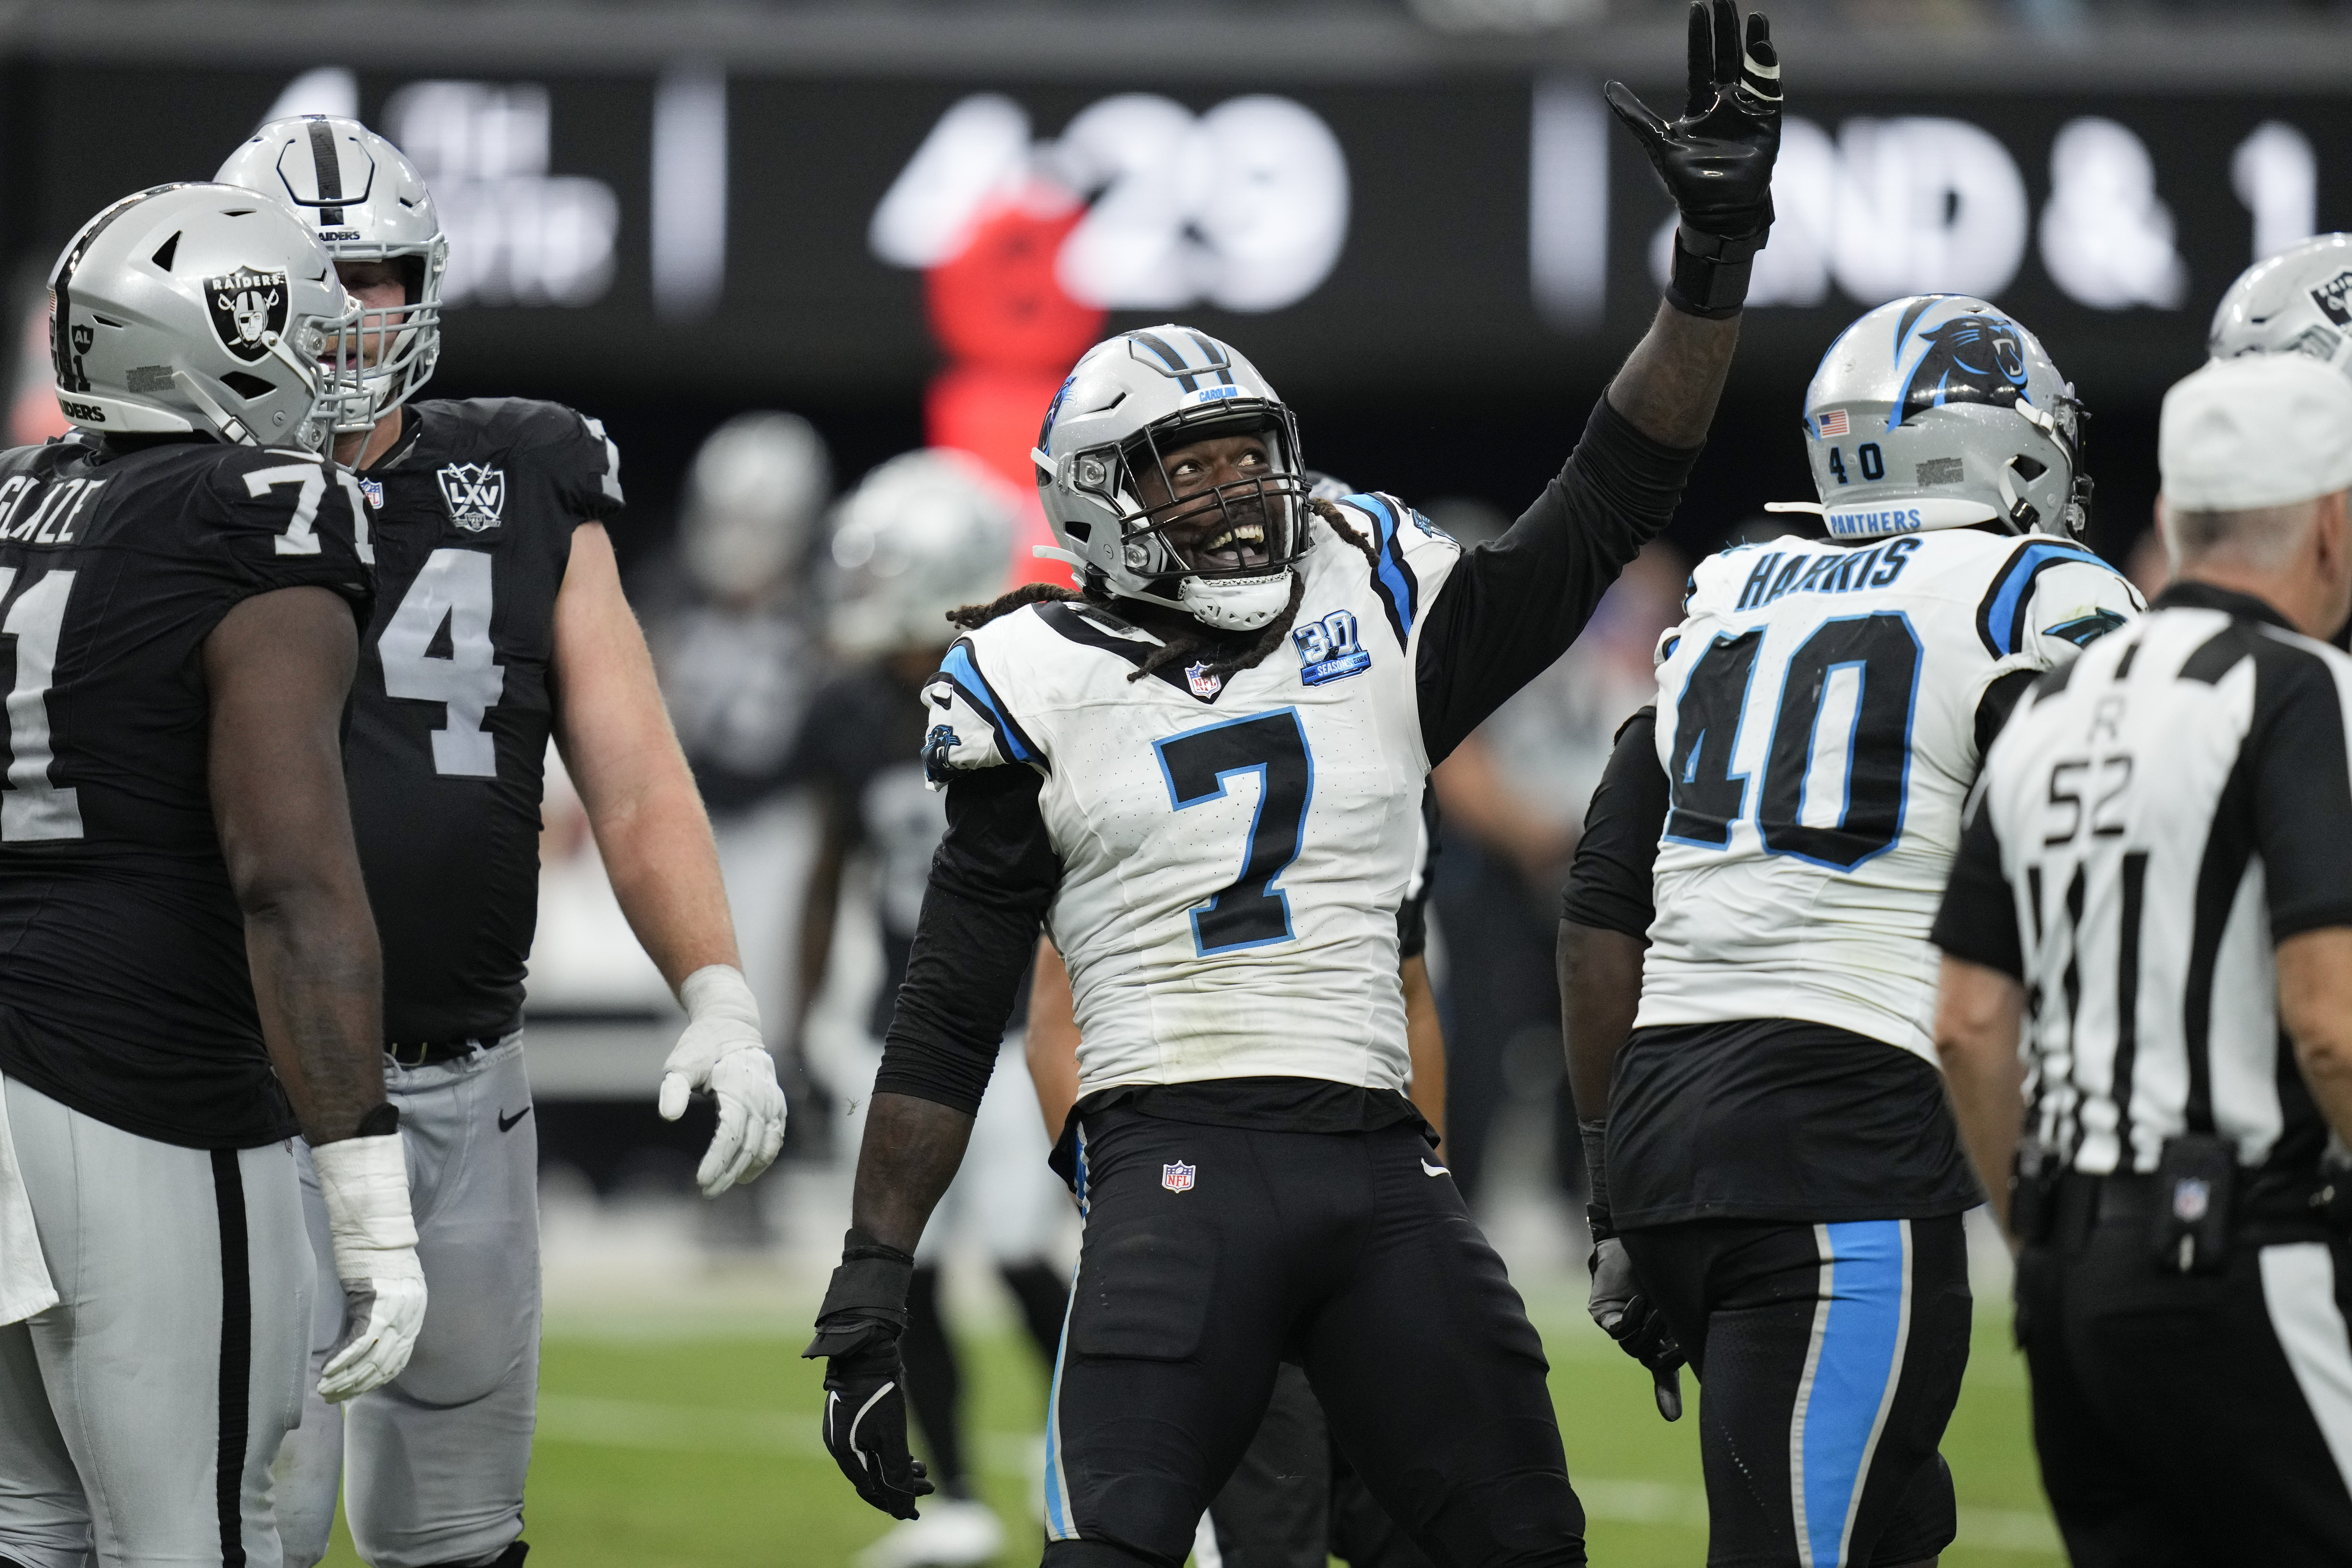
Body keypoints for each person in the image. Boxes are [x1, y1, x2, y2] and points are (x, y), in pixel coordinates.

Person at [802, 5, 1783, 1562]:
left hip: (1379, 1166)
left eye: (1247, 453)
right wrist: (873, 1275)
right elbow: (951, 999)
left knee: (1522, 1535)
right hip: (1170, 1164)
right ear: (1098, 503)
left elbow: (1610, 498)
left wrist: (1710, 265)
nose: (1237, 492)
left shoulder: (1375, 598)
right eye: (1184, 468)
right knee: (1115, 1542)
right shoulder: (1035, 672)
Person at [216, 117, 788, 1568]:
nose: (351, 315)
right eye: (311, 277)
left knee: (462, 1528)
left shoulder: (526, 469)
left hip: (464, 1076)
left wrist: (716, 988)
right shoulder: (174, 491)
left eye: (380, 277)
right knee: (241, 1517)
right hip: (233, 1081)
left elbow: (640, 778)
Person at [1557, 291, 2145, 1568]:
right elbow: (2116, 864)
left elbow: (1602, 911)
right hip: (1841, 1137)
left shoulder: (1733, 587)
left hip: (1669, 1118)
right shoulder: (2034, 590)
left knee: (1892, 1527)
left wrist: (1614, 1200)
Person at [0, 184, 423, 1568]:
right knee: (203, 1536)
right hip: (136, 1079)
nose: (338, 358)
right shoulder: (264, 508)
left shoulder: (15, 500)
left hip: (11, 1066)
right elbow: (289, 879)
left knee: (32, 1528)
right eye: (307, 328)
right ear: (209, 343)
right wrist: (367, 1188)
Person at [1934, 353, 2352, 1567]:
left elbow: (1965, 1020)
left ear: (2174, 516)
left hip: (2071, 1279)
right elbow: (2326, 1017)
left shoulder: (2055, 702)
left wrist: (2054, 1240)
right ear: (2331, 522)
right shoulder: (2302, 695)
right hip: (2248, 1251)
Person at [1025, 778, 1444, 1568]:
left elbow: (1411, 993)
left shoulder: (1389, 759)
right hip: (1213, 1218)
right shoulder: (1160, 752)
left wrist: (1431, 1203)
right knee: (1264, 1540)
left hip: (1362, 1222)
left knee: (1427, 1532)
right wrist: (1124, 1207)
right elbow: (1055, 1017)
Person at [790, 448, 1072, 1568]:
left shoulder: (1034, 689)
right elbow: (828, 871)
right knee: (903, 1271)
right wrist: (793, 1020)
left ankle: (1120, 1467)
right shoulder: (851, 712)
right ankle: (954, 1497)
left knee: (1017, 1259)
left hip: (1014, 1026)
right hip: (907, 1027)